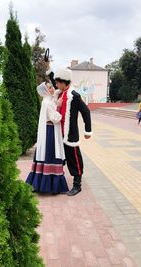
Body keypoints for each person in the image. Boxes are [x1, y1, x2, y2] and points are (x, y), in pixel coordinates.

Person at [52, 68, 92, 196]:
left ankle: (77, 185)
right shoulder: (61, 92)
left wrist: (88, 130)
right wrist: (48, 68)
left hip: (70, 134)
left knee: (74, 159)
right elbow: (54, 83)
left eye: (58, 82)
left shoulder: (73, 95)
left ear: (64, 82)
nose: (56, 85)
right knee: (66, 158)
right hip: (61, 133)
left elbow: (86, 111)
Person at [26, 81, 69, 194]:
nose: (52, 89)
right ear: (45, 90)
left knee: (47, 155)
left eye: (52, 87)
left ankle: (41, 182)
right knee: (51, 154)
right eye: (49, 88)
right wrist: (59, 108)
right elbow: (55, 118)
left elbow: (55, 96)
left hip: (49, 131)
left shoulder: (48, 100)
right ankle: (52, 186)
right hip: (50, 132)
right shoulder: (47, 102)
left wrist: (60, 91)